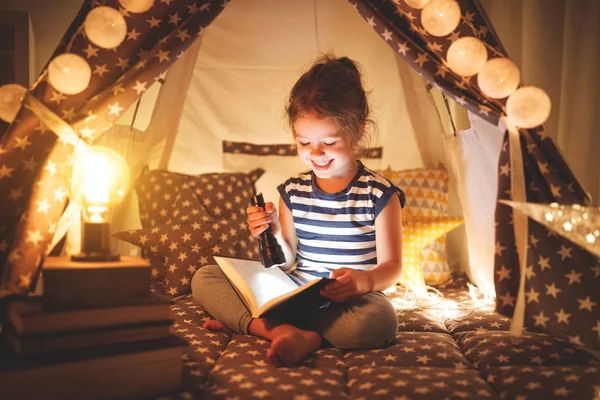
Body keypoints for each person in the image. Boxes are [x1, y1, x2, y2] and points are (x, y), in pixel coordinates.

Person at [192, 55, 405, 368]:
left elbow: (393, 267)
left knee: (380, 321)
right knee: (205, 277)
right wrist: (272, 232)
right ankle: (291, 331)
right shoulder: (291, 191)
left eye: (328, 142)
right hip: (291, 295)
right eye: (304, 141)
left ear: (357, 131)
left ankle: (263, 327)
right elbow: (287, 260)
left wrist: (362, 282)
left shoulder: (379, 194)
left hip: (346, 304)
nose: (315, 153)